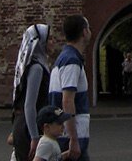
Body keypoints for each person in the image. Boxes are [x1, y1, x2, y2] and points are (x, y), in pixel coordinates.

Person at [11, 23, 58, 161]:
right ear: (40, 42)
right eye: (49, 39)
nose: (53, 42)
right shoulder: (37, 68)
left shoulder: (35, 64)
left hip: (25, 124)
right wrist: (34, 137)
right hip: (28, 128)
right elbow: (29, 105)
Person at [49, 15, 92, 161]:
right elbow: (67, 101)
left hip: (66, 135)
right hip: (70, 137)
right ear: (84, 32)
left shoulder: (64, 58)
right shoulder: (71, 61)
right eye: (88, 28)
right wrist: (73, 139)